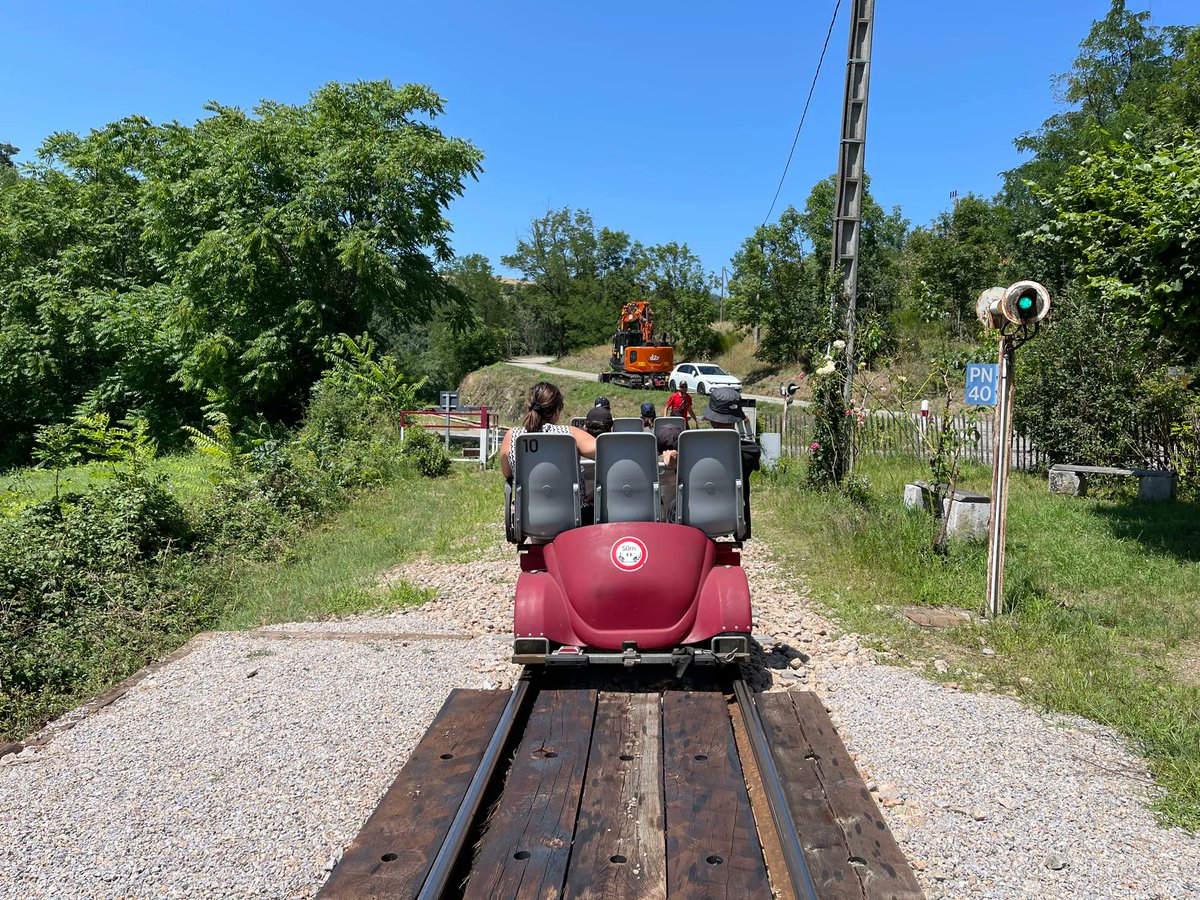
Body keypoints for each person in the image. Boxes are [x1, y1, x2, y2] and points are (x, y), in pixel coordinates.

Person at [661, 387, 760, 537]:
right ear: (737, 418)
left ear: (712, 419)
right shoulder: (749, 451)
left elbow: (670, 447)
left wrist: (677, 460)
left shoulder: (689, 446)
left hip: (689, 518)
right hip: (730, 517)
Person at [500, 381, 598, 522]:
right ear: (556, 411)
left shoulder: (512, 437)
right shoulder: (571, 434)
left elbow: (507, 473)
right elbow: (608, 454)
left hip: (528, 518)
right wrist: (599, 490)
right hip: (574, 518)